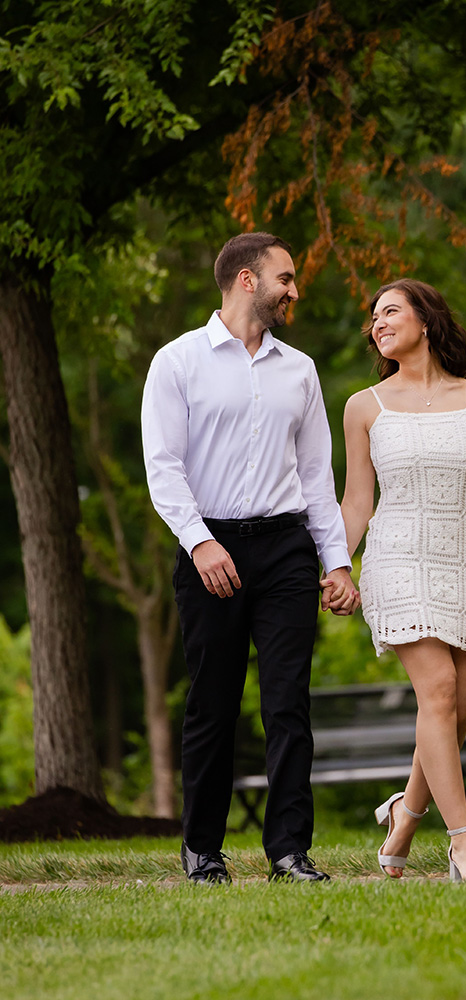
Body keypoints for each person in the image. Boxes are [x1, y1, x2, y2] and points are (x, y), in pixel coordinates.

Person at [141, 232, 358, 886]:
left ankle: (289, 852)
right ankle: (202, 852)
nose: (294, 289)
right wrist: (200, 541)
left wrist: (337, 561)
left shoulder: (300, 369)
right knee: (212, 702)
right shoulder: (176, 362)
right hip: (210, 548)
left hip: (286, 549)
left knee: (287, 702)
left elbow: (318, 475)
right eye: (284, 278)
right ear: (244, 280)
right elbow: (163, 466)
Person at [340, 278, 466, 882]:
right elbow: (358, 500)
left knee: (454, 710)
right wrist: (334, 564)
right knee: (436, 689)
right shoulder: (365, 406)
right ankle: (464, 845)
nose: (377, 323)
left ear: (426, 318)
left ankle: (404, 819)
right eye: (373, 317)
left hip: (464, 561)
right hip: (396, 558)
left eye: (390, 311)